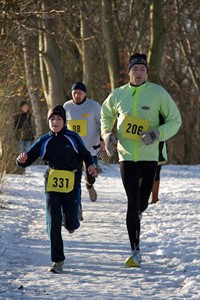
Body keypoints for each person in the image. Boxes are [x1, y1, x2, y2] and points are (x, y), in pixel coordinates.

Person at [101, 53, 182, 268]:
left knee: (142, 202)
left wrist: (157, 133)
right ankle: (135, 250)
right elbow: (106, 114)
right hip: (126, 156)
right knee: (132, 202)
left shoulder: (158, 93)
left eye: (142, 69)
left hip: (149, 157)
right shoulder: (118, 95)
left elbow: (175, 121)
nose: (138, 73)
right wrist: (108, 135)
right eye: (135, 69)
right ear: (129, 72)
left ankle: (138, 215)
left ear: (147, 72)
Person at [16, 105, 98, 273]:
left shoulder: (72, 137)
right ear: (48, 121)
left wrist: (90, 165)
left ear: (64, 121)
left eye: (59, 119)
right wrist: (21, 159)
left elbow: (85, 154)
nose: (55, 122)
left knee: (70, 223)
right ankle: (57, 261)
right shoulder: (44, 140)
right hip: (52, 181)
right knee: (53, 221)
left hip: (72, 180)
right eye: (52, 119)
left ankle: (71, 219)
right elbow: (27, 160)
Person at [63, 82, 105, 218]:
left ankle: (89, 185)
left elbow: (103, 124)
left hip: (90, 149)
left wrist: (103, 139)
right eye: (74, 92)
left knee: (90, 176)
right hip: (73, 150)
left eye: (80, 93)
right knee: (74, 181)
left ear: (85, 93)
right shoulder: (67, 107)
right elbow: (62, 126)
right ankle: (77, 207)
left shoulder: (94, 106)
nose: (77, 95)